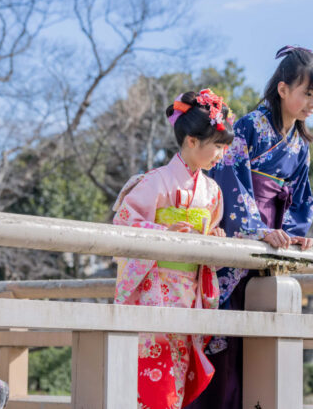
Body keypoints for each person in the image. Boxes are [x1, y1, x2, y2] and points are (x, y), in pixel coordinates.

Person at [186, 46, 313, 409]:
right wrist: (256, 229)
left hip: (274, 240)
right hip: (243, 234)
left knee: (262, 346)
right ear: (283, 89)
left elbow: (301, 198)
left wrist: (293, 234)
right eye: (307, 93)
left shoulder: (300, 145)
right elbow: (230, 179)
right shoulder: (250, 126)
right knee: (228, 340)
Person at [113, 88, 235, 409]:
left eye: (224, 147)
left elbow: (208, 235)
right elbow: (123, 224)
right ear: (192, 141)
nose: (221, 154)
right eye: (217, 146)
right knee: (154, 382)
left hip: (189, 294)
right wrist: (162, 233)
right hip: (154, 290)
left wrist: (213, 237)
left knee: (176, 382)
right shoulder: (154, 181)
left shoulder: (212, 191)